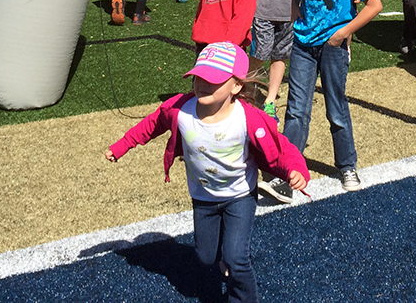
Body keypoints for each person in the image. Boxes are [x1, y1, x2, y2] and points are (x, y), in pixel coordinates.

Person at [107, 42, 308, 303]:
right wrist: (123, 145)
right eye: (199, 77)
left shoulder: (249, 119)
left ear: (236, 86)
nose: (202, 84)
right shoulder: (180, 110)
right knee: (204, 258)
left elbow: (281, 148)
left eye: (213, 80)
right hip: (203, 198)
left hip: (240, 196)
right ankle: (222, 258)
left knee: (237, 259)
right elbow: (152, 123)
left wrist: (296, 169)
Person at [267, 0, 382, 200]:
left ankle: (347, 166)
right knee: (295, 109)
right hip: (304, 44)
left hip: (332, 48)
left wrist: (342, 34)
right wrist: (294, 18)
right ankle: (288, 172)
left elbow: (374, 5)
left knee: (336, 109)